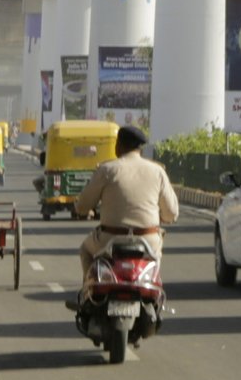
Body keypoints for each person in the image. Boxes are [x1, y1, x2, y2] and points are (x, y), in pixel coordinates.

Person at [73, 124, 179, 298]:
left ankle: (89, 292)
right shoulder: (157, 171)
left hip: (109, 239)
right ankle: (154, 296)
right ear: (139, 148)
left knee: (85, 249)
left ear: (119, 145)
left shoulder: (107, 170)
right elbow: (172, 213)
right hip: (148, 240)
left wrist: (83, 210)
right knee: (155, 258)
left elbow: (82, 206)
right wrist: (162, 217)